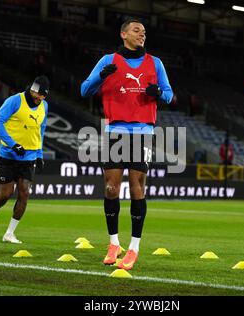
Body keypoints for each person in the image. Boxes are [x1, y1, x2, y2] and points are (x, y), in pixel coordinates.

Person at [80, 18, 173, 270]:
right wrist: (100, 77)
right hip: (114, 131)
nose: (142, 34)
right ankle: (113, 243)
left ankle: (133, 248)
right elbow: (84, 90)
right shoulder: (108, 61)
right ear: (123, 34)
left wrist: (158, 94)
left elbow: (169, 94)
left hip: (143, 131)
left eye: (144, 31)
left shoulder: (156, 63)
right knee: (111, 189)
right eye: (136, 30)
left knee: (136, 188)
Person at [0, 76, 49, 244]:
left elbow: (41, 129)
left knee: (24, 193)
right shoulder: (15, 101)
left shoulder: (44, 106)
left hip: (29, 156)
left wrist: (40, 154)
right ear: (33, 90)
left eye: (44, 96)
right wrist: (13, 145)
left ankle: (9, 233)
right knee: (5, 193)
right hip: (8, 154)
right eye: (39, 94)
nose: (40, 98)